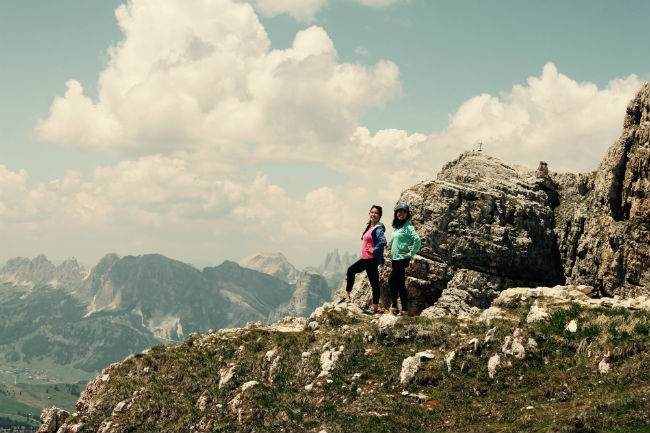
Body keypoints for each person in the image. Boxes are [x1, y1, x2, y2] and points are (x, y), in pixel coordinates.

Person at [344, 205, 387, 314]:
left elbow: (383, 241)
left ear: (380, 216)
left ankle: (375, 309)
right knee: (351, 271)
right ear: (369, 213)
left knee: (374, 285)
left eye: (376, 213)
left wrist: (374, 249)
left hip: (371, 259)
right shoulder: (370, 226)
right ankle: (347, 296)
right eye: (372, 212)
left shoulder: (378, 228)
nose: (373, 214)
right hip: (366, 259)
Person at [388, 203, 421, 316]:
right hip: (395, 258)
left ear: (407, 214)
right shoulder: (397, 227)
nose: (401, 213)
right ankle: (405, 310)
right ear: (396, 213)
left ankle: (394, 306)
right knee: (400, 284)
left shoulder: (408, 226)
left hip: (402, 258)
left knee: (391, 279)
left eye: (403, 212)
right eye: (399, 211)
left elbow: (417, 240)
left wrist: (410, 253)